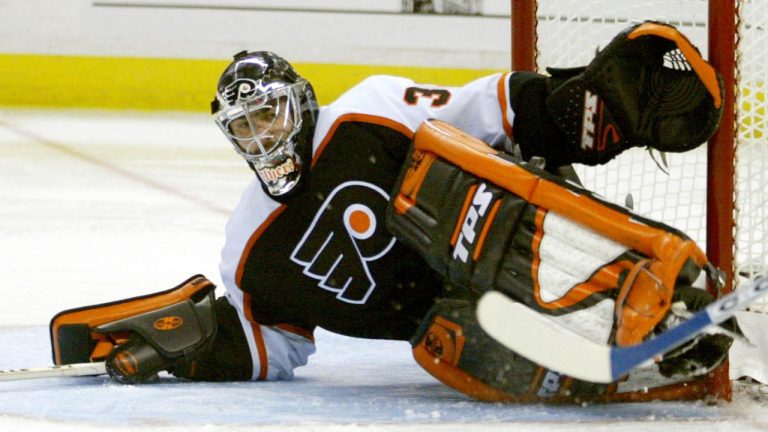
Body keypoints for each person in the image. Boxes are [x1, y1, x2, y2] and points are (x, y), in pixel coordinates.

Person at [50, 21, 734, 403]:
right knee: (443, 336)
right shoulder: (249, 249)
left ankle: (643, 276)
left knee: (432, 191)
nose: (263, 137)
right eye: (246, 128)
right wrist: (195, 347)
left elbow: (482, 111)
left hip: (500, 222)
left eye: (270, 115)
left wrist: (568, 110)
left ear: (301, 101)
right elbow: (277, 347)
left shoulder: (365, 113)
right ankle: (630, 341)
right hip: (459, 327)